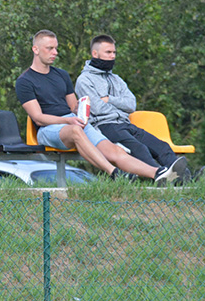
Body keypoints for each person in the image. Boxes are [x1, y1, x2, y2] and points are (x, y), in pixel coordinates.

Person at [16, 29, 186, 185]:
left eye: (56, 48)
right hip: (49, 130)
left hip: (73, 123)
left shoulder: (61, 74)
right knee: (76, 131)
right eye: (50, 48)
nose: (55, 53)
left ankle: (159, 173)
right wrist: (68, 120)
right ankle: (114, 173)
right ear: (35, 50)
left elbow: (74, 106)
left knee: (114, 150)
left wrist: (81, 109)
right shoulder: (25, 81)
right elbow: (38, 117)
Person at [75, 34, 187, 176]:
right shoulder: (84, 80)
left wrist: (109, 99)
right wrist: (118, 105)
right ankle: (160, 177)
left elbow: (131, 104)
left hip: (125, 123)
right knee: (139, 149)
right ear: (95, 54)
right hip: (105, 126)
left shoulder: (117, 79)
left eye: (114, 52)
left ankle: (184, 177)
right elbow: (97, 108)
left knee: (161, 147)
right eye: (108, 52)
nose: (112, 56)